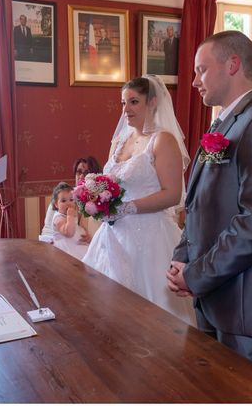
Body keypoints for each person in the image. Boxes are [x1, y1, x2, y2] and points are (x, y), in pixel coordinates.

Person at [167, 30, 252, 375]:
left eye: (201, 70)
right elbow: (200, 206)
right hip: (218, 293)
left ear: (232, 64)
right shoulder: (228, 123)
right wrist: (183, 260)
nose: (195, 81)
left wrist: (196, 275)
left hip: (248, 305)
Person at [82, 75, 196, 326]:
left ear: (153, 102)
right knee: (107, 309)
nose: (126, 110)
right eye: (123, 103)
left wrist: (128, 208)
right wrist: (95, 193)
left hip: (150, 236)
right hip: (113, 235)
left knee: (151, 317)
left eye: (133, 102)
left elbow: (172, 193)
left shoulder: (163, 140)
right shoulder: (120, 141)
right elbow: (111, 183)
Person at [39, 156, 101, 243]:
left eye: (87, 173)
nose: (81, 176)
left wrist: (93, 239)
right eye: (78, 172)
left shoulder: (100, 202)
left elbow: (102, 234)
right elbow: (47, 231)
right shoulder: (62, 198)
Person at [51, 182, 90, 260]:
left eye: (71, 200)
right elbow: (69, 233)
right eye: (63, 201)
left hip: (79, 245)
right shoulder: (58, 218)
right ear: (56, 204)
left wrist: (85, 234)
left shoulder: (74, 214)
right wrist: (70, 216)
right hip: (67, 250)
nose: (68, 203)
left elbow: (78, 226)